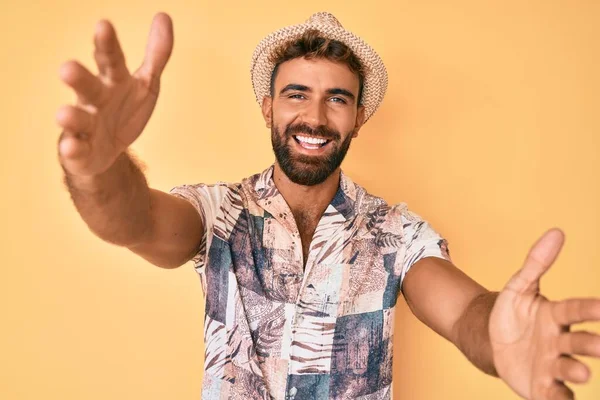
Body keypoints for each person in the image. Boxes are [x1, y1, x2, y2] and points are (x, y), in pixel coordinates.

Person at [56, 11, 600, 400]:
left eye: (337, 98)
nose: (314, 117)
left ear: (358, 117)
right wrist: (99, 169)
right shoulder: (217, 211)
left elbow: (464, 312)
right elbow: (136, 221)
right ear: (268, 108)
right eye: (297, 94)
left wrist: (497, 338)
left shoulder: (396, 232)